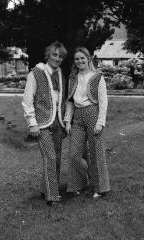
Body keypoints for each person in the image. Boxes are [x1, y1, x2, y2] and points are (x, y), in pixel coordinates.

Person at [22, 41, 67, 206]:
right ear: (48, 55)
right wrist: (32, 123)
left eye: (60, 56)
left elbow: (62, 100)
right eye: (54, 55)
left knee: (56, 159)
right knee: (49, 157)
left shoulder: (61, 74)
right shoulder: (36, 73)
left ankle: (46, 189)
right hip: (42, 123)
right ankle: (52, 197)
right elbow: (27, 100)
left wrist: (64, 122)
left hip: (58, 123)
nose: (57, 58)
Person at [64, 47, 110, 199]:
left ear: (88, 58)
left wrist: (100, 122)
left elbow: (103, 101)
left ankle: (100, 187)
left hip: (93, 114)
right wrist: (67, 121)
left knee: (96, 152)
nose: (79, 61)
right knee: (74, 155)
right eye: (77, 59)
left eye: (82, 58)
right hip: (77, 116)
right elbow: (70, 101)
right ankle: (81, 183)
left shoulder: (97, 77)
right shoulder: (72, 77)